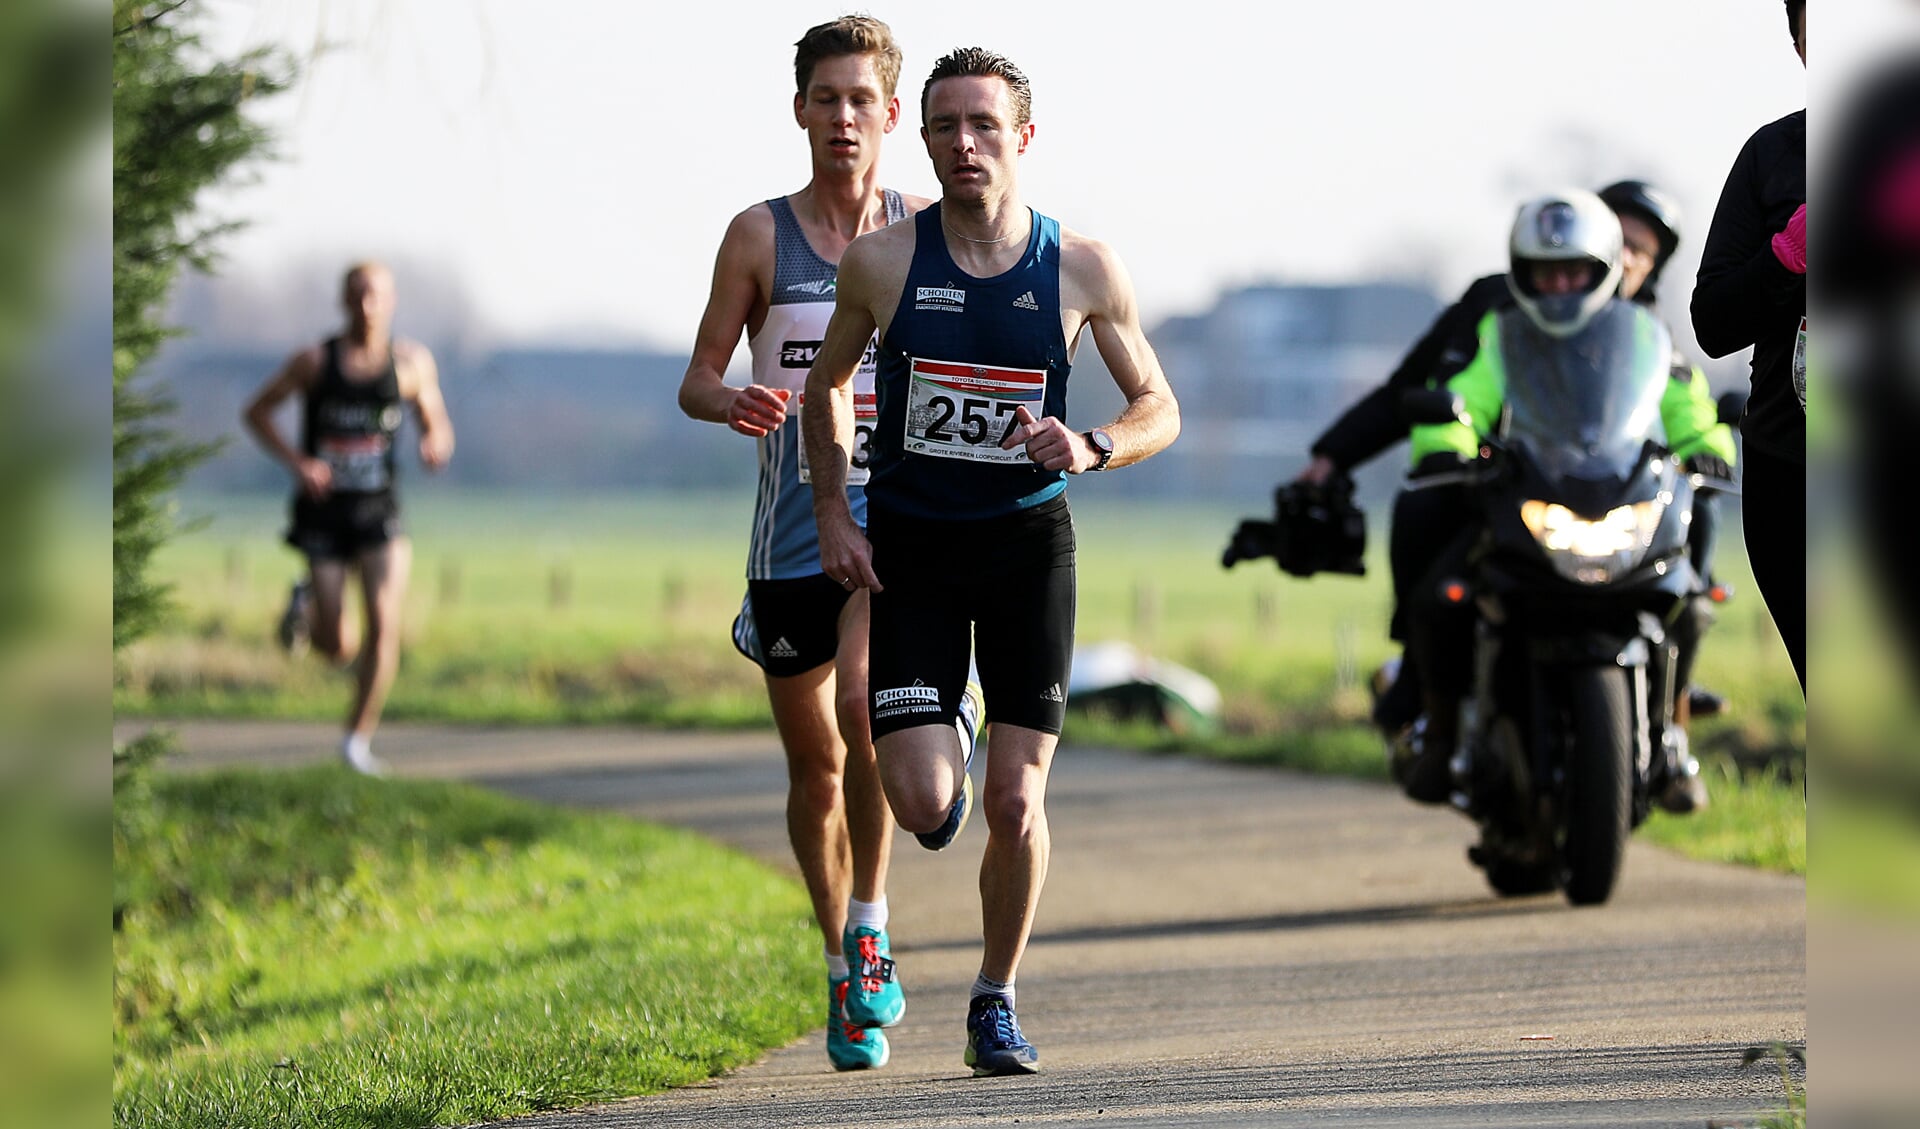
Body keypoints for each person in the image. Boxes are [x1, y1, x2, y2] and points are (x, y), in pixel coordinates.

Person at [802, 46, 1179, 1077]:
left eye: (982, 124)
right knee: (927, 807)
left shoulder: (1082, 267)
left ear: (1021, 135)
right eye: (942, 127)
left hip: (1026, 550)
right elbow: (825, 388)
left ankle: (994, 997)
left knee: (1016, 803)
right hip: (913, 554)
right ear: (921, 138)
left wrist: (1095, 443)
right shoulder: (883, 264)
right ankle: (951, 710)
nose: (962, 144)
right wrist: (835, 510)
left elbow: (1161, 406)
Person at [675, 15, 952, 1074]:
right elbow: (696, 376)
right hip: (787, 532)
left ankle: (874, 920)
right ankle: (840, 959)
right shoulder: (760, 236)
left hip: (893, 526)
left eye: (861, 100)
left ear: (893, 115)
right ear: (801, 111)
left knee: (861, 706)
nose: (844, 118)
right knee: (817, 769)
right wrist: (732, 395)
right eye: (824, 99)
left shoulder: (928, 232)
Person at [1297, 180, 1737, 767]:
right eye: (1547, 270)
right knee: (1428, 537)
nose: (1560, 284)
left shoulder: (1642, 327)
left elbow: (1687, 403)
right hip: (1514, 485)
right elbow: (1448, 393)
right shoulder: (1498, 314)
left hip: (1621, 491)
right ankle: (1430, 698)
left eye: (1640, 251)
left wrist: (1709, 448)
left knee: (1695, 523)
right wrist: (1431, 447)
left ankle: (1674, 697)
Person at [242, 261, 454, 775]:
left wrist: (433, 442)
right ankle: (308, 601)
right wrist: (299, 463)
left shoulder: (409, 364)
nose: (366, 305)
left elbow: (437, 421)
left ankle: (355, 744)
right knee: (336, 647)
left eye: (375, 295)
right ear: (343, 302)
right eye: (357, 295)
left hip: (379, 510)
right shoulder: (314, 362)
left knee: (385, 627)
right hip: (324, 513)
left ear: (391, 300)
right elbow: (257, 412)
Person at [1691, 0, 1805, 695]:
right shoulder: (1772, 155)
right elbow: (1712, 321)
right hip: (1793, 471)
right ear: (1799, 44)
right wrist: (1786, 256)